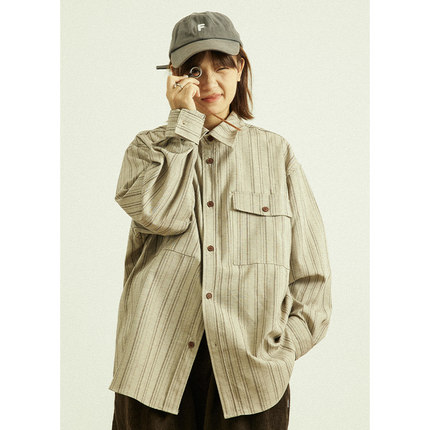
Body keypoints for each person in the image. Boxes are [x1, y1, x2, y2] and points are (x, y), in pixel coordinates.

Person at [109, 10, 332, 430]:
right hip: (154, 372)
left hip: (251, 377)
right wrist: (183, 127)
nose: (209, 82)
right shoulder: (148, 150)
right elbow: (162, 214)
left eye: (221, 66)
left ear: (240, 68)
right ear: (175, 76)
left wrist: (282, 351)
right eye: (194, 70)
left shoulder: (276, 154)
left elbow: (312, 274)